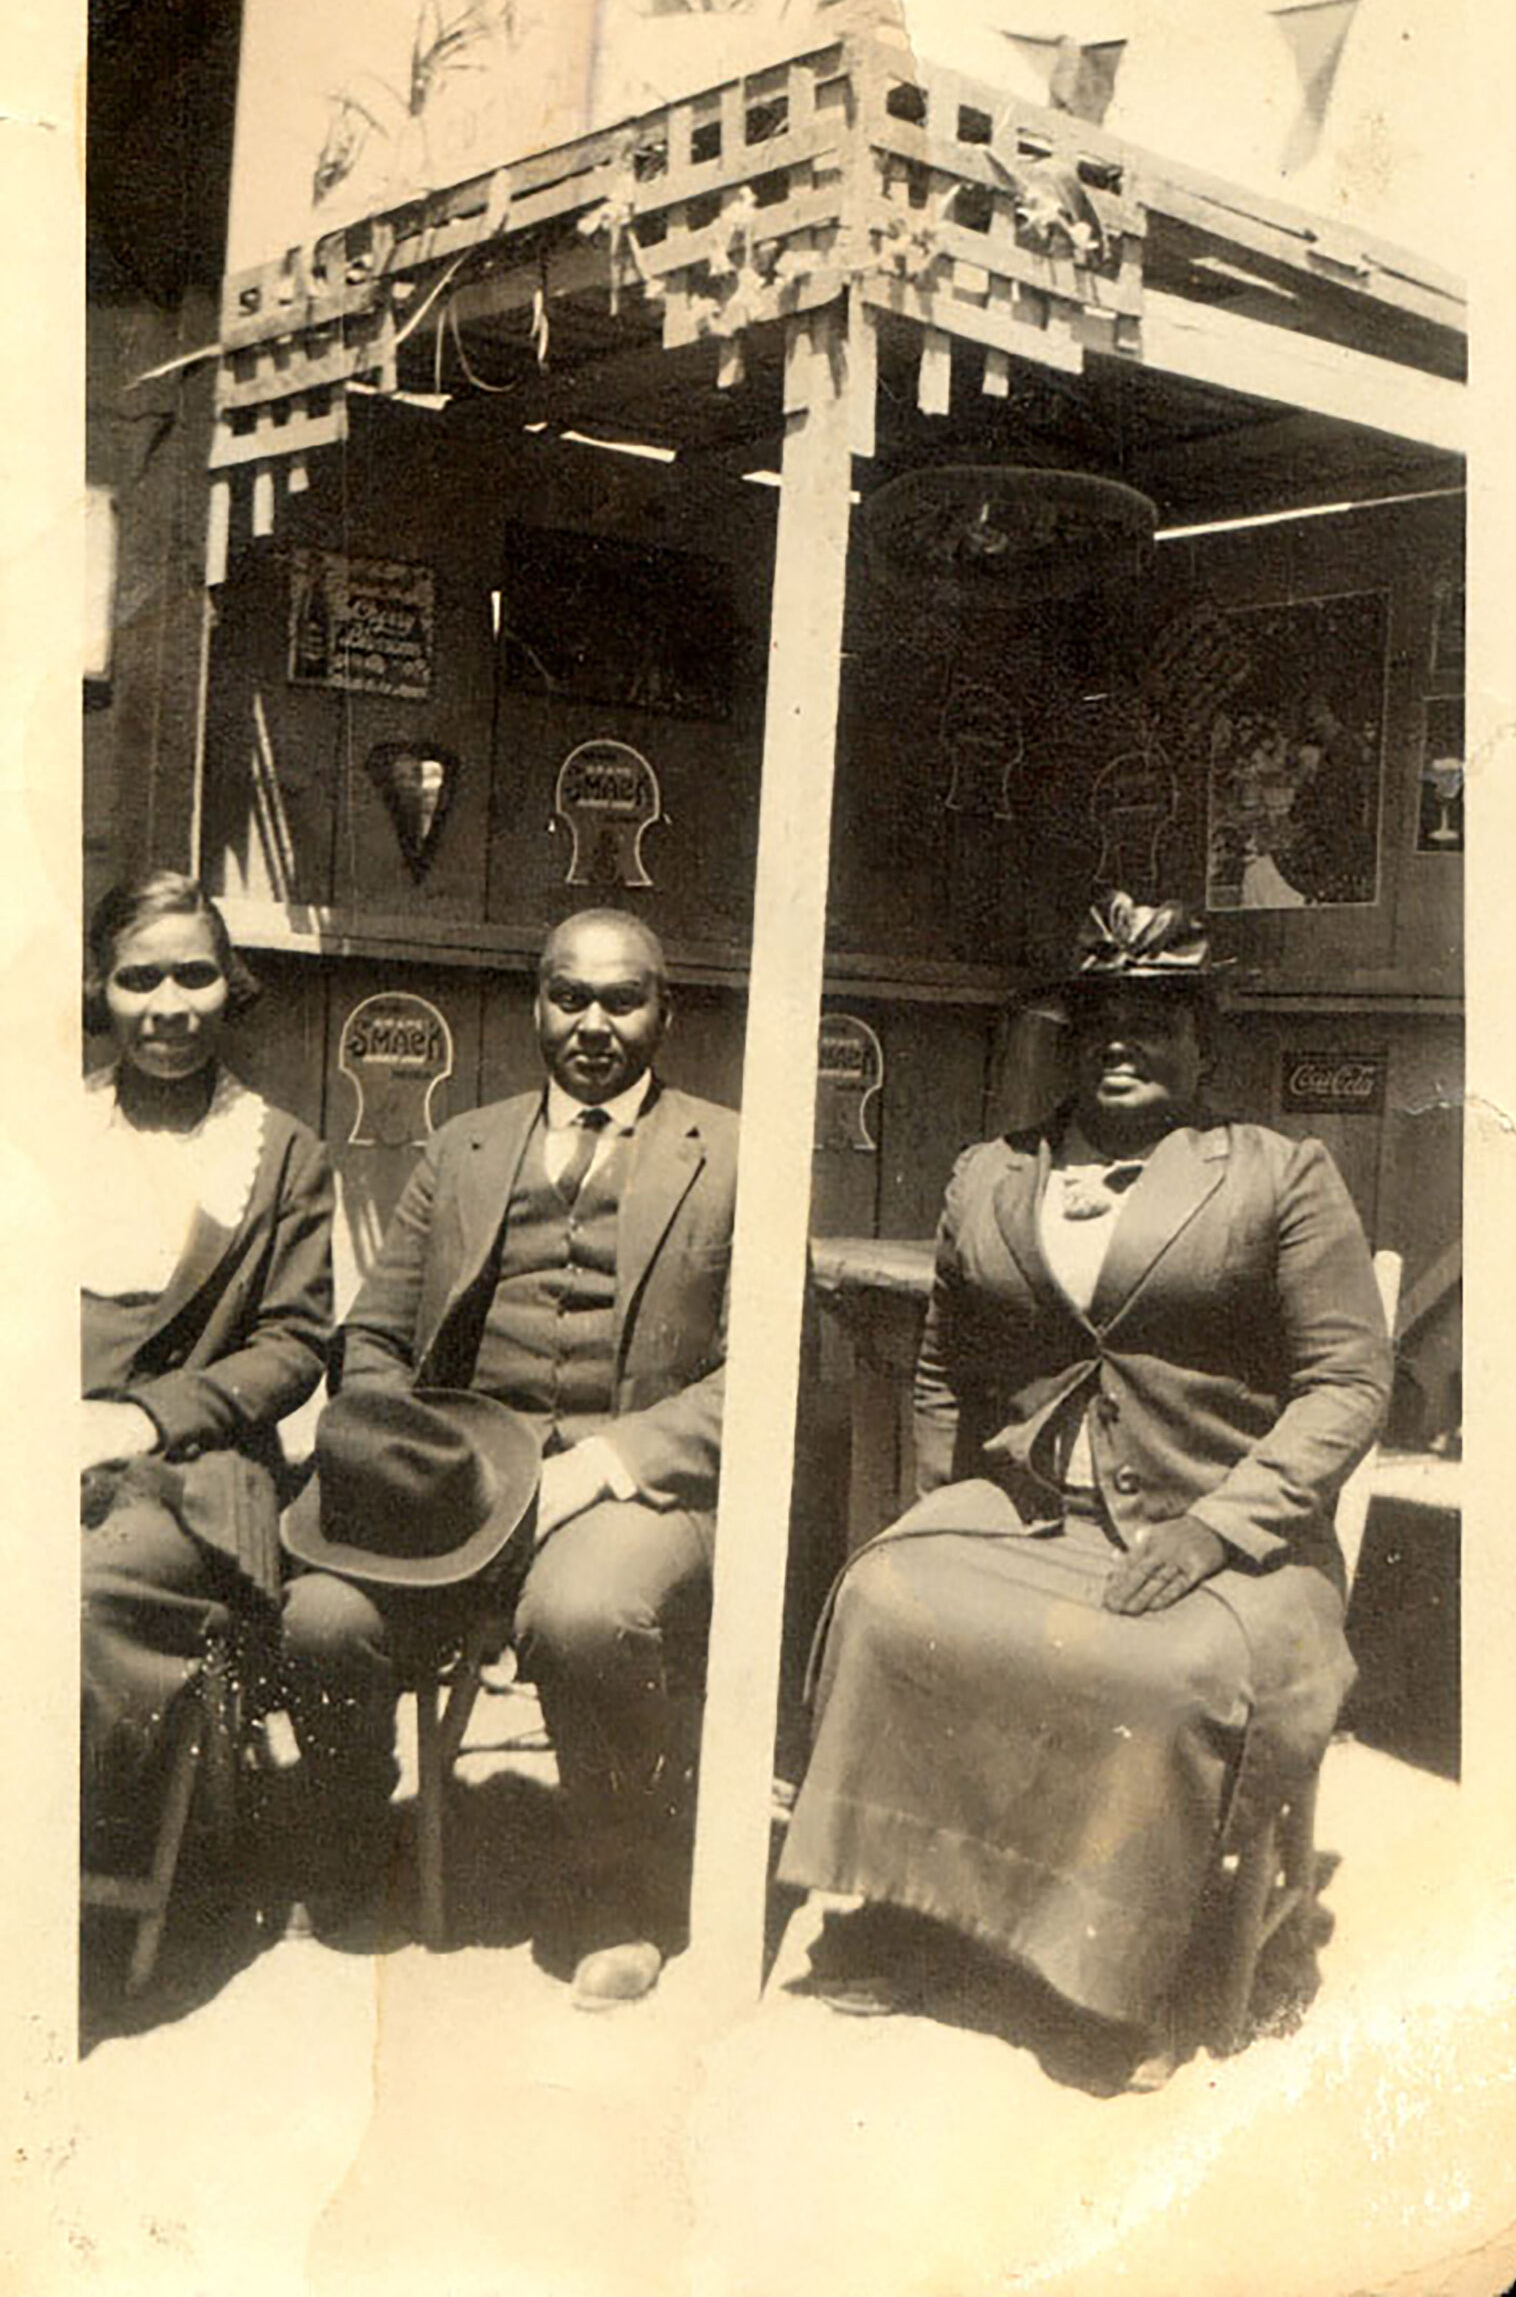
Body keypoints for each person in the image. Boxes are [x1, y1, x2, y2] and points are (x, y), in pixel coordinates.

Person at [779, 889, 1391, 2086]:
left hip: (1230, 1535)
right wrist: (933, 1510)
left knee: (1160, 1673)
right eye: (1101, 1014)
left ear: (1205, 1041)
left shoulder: (1280, 1175)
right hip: (1033, 1507)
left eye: (1158, 1018)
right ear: (1067, 1033)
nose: (1124, 1038)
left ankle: (1124, 1965)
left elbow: (1351, 1382)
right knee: (887, 1602)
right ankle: (912, 1903)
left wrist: (1220, 1528)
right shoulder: (991, 1176)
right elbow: (949, 1366)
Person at [281, 909, 740, 2004]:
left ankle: (618, 1892)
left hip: (624, 1483)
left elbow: (769, 1377)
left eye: (622, 999)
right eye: (568, 997)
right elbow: (379, 1334)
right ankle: (356, 1832)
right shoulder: (466, 1145)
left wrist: (614, 1459)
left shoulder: (730, 1152)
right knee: (319, 1621)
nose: (593, 1023)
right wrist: (409, 1452)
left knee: (582, 1615)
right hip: (461, 1484)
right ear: (537, 1004)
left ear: (664, 1012)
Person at [81, 873, 334, 1873]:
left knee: (72, 1595)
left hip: (192, 1478)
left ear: (232, 986)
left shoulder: (281, 1157)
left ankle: (75, 1870)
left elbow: (293, 1346)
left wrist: (141, 1421)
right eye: (141, 978)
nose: (170, 1006)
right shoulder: (40, 1135)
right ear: (101, 987)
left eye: (196, 974)